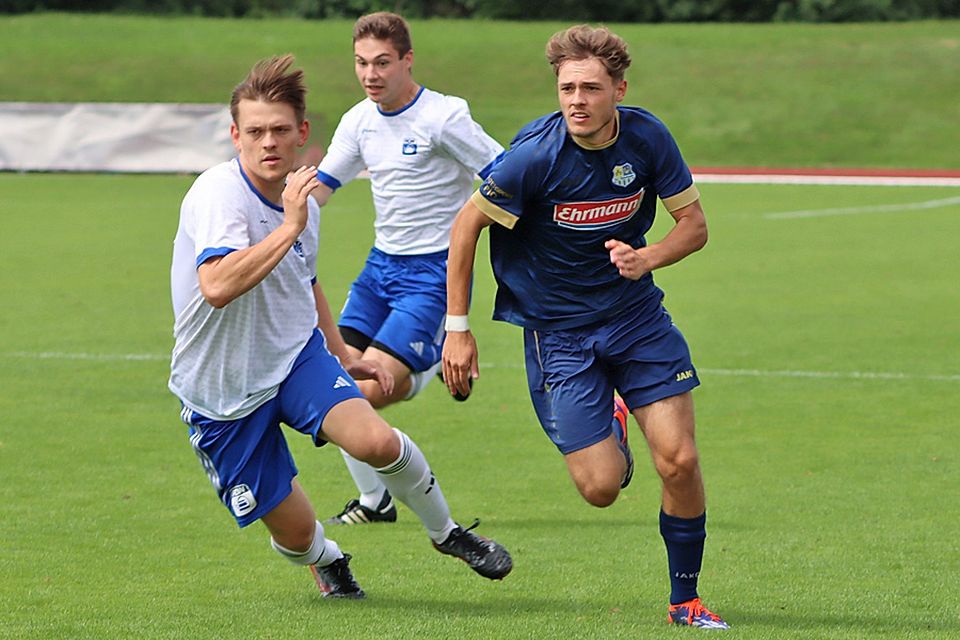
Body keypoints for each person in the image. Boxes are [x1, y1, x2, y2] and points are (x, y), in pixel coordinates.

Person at [168, 54, 512, 598]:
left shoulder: (299, 198)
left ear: (303, 133)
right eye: (255, 131)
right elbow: (216, 286)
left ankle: (447, 533)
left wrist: (341, 354)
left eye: (281, 130)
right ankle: (327, 558)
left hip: (295, 357)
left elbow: (305, 282)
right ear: (234, 135)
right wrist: (290, 224)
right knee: (296, 534)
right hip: (222, 389)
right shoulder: (219, 193)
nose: (268, 143)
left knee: (375, 439)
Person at [441, 25, 727, 628]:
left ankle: (686, 600)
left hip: (635, 317)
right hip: (558, 333)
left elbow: (693, 226)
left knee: (678, 460)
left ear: (618, 90)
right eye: (567, 87)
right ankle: (614, 421)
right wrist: (457, 328)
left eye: (590, 88)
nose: (576, 100)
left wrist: (646, 258)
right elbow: (465, 228)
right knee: (600, 487)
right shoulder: (533, 157)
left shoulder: (648, 139)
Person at [310, 12, 504, 527]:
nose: (370, 74)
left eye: (382, 62)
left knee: (362, 394)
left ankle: (421, 370)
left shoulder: (443, 117)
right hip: (378, 271)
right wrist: (268, 215)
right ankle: (377, 501)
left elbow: (503, 175)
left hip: (431, 277)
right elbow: (322, 189)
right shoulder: (359, 121)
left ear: (407, 60)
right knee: (330, 385)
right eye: (361, 63)